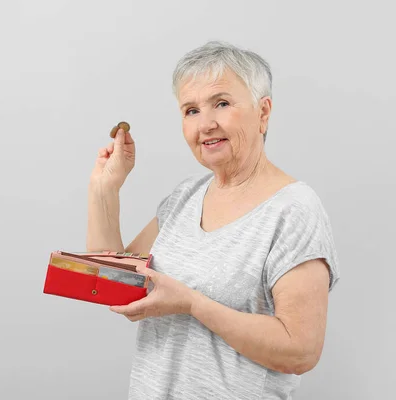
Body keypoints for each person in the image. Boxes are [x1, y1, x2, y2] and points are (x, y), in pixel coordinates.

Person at [86, 41, 340, 400]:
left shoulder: (294, 210)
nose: (205, 124)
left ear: (263, 112)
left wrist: (192, 304)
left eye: (221, 103)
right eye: (190, 110)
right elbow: (116, 282)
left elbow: (300, 350)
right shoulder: (185, 196)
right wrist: (104, 189)